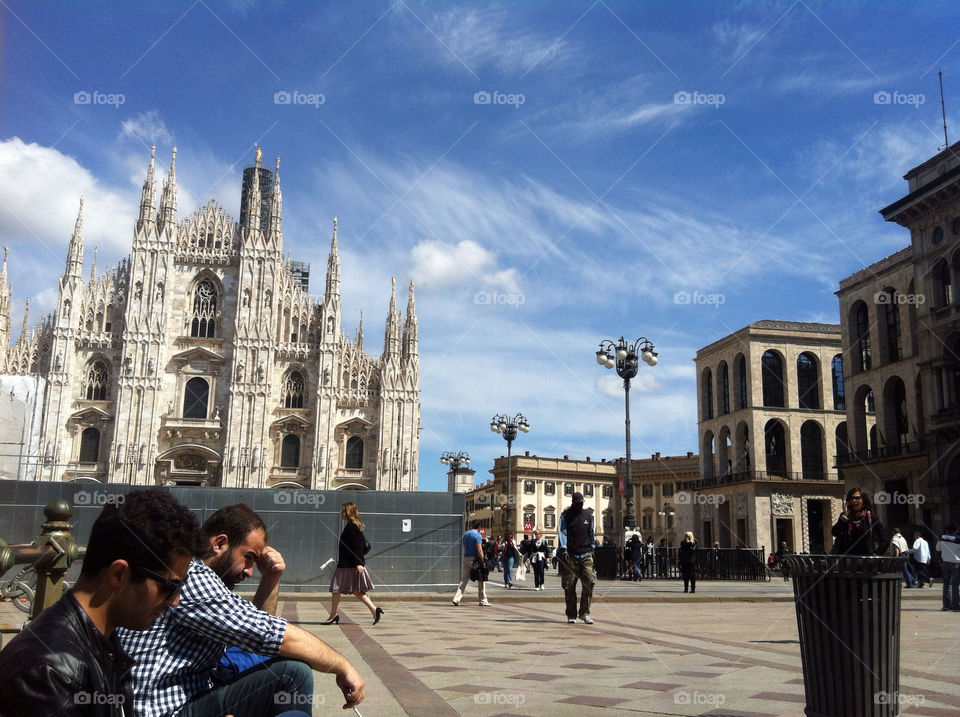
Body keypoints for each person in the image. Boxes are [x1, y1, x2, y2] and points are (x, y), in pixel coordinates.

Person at [118, 503, 366, 717]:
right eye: (248, 557)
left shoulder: (198, 575)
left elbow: (254, 636)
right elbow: (271, 634)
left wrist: (271, 578)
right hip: (167, 710)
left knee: (266, 662)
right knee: (292, 674)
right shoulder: (194, 576)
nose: (249, 571)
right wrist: (343, 666)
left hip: (190, 694)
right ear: (220, 543)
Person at [0, 489, 204, 717]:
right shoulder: (51, 674)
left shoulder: (98, 637)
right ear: (119, 574)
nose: (175, 601)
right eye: (169, 587)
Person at [322, 503, 383, 625]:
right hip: (349, 564)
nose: (341, 513)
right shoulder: (353, 526)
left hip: (348, 565)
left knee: (337, 589)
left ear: (349, 513)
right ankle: (374, 610)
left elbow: (357, 547)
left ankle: (333, 615)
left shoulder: (351, 527)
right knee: (355, 590)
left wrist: (359, 563)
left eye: (343, 511)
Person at [557, 492, 596, 624]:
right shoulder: (566, 515)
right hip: (571, 554)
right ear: (573, 502)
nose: (580, 504)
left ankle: (584, 612)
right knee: (569, 585)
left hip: (585, 553)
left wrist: (592, 545)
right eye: (578, 502)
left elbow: (591, 531)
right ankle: (571, 614)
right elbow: (562, 531)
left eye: (581, 502)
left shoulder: (588, 515)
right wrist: (564, 547)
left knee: (590, 581)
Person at [830, 487, 889, 555]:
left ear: (863, 500)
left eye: (857, 498)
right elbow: (834, 532)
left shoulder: (871, 517)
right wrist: (845, 516)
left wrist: (875, 555)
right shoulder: (844, 517)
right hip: (848, 560)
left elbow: (885, 540)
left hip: (866, 561)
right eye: (851, 498)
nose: (854, 501)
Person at [452, 520, 490, 606]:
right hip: (475, 559)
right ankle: (483, 600)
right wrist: (482, 559)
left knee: (464, 580)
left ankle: (456, 599)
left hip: (466, 558)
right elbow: (479, 549)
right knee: (481, 579)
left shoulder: (466, 535)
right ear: (479, 527)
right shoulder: (477, 535)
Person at [936, 524, 960, 610]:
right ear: (956, 530)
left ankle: (946, 605)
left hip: (945, 562)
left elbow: (938, 549)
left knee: (946, 584)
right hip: (956, 563)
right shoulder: (958, 538)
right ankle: (955, 605)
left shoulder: (941, 537)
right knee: (954, 585)